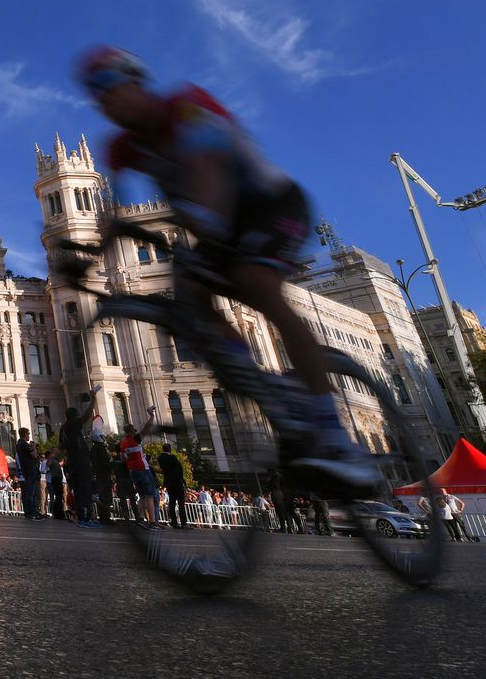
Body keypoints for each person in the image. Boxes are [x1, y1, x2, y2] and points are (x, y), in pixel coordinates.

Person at [75, 47, 378, 495]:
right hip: (215, 222)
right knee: (191, 296)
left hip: (270, 206)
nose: (109, 101)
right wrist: (84, 259)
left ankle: (331, 428)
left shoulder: (187, 106)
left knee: (257, 285)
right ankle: (250, 373)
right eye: (98, 95)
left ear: (135, 81)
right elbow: (113, 217)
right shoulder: (121, 149)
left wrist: (204, 227)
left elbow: (209, 170)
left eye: (112, 87)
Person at [59, 387, 102, 529]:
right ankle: (85, 518)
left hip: (73, 462)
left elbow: (61, 445)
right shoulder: (72, 425)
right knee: (84, 489)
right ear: (73, 416)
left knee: (78, 490)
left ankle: (83, 516)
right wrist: (93, 399)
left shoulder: (63, 428)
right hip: (79, 461)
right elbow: (87, 416)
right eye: (76, 415)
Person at [119, 408, 160, 527]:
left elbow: (123, 458)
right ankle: (152, 522)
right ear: (132, 431)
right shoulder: (135, 439)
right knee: (149, 496)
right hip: (143, 470)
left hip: (133, 471)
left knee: (142, 496)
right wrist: (151, 415)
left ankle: (140, 518)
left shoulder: (123, 444)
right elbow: (147, 427)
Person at [157, 442, 188, 528]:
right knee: (181, 502)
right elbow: (179, 469)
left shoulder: (160, 458)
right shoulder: (172, 457)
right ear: (169, 449)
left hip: (168, 482)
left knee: (172, 502)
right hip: (177, 482)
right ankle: (183, 522)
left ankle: (174, 522)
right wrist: (181, 479)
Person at [16, 426, 42, 520]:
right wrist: (34, 448)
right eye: (28, 434)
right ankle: (32, 513)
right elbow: (34, 455)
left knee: (29, 492)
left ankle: (29, 512)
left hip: (26, 470)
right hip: (30, 470)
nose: (29, 436)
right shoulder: (24, 444)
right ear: (25, 434)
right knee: (31, 492)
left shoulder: (19, 444)